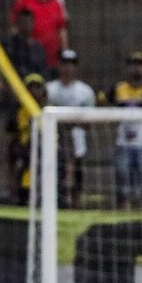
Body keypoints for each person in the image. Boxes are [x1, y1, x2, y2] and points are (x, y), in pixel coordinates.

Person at [100, 51, 142, 208]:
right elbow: (101, 104)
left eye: (140, 65)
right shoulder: (118, 89)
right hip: (123, 144)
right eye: (133, 65)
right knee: (123, 188)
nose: (136, 69)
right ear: (126, 68)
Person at [45, 49, 95, 208]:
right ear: (59, 66)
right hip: (54, 138)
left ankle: (76, 199)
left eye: (71, 64)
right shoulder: (50, 89)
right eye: (64, 64)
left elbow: (90, 121)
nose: (68, 68)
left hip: (76, 138)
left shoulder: (85, 91)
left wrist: (71, 123)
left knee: (77, 169)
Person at [10, 0, 67, 77]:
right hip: (28, 57)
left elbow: (62, 29)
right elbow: (14, 25)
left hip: (51, 58)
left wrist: (64, 51)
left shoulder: (55, 3)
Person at [7, 72, 48, 205]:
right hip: (25, 155)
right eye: (31, 88)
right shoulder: (17, 112)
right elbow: (12, 138)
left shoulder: (50, 111)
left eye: (38, 87)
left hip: (46, 156)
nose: (34, 91)